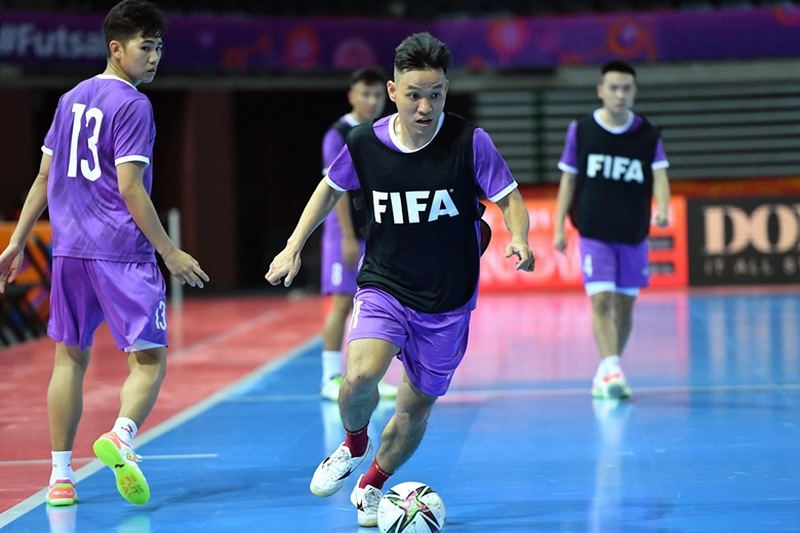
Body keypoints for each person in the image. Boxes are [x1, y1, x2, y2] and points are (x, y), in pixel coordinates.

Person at [266, 31, 534, 528]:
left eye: (435, 94)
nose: (425, 106)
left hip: (448, 300)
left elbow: (510, 198)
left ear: (446, 90)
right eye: (414, 95)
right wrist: (294, 245)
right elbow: (329, 189)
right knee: (359, 377)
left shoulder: (469, 142)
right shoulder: (364, 143)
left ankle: (372, 483)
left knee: (414, 408)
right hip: (385, 283)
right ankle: (353, 444)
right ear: (393, 91)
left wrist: (519, 236)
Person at [0, 0, 208, 507]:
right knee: (150, 360)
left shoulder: (70, 98)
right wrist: (169, 251)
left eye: (159, 47)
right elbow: (131, 188)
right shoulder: (134, 104)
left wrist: (17, 241)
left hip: (69, 251)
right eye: (145, 47)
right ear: (117, 49)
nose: (154, 57)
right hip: (122, 252)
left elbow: (44, 177)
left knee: (69, 360)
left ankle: (60, 478)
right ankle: (121, 435)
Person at [552, 60, 670, 400]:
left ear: (635, 92)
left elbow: (660, 175)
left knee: (625, 307)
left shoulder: (648, 134)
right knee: (601, 301)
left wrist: (663, 207)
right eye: (614, 88)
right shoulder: (581, 130)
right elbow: (568, 180)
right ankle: (614, 369)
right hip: (594, 232)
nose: (620, 94)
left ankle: (607, 371)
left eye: (626, 89)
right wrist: (559, 226)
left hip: (633, 233)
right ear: (601, 91)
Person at [318, 66, 397, 402]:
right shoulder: (338, 134)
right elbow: (334, 189)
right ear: (352, 96)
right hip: (343, 234)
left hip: (375, 232)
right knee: (341, 303)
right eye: (365, 94)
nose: (372, 101)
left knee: (376, 304)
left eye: (377, 95)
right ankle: (329, 378)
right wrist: (348, 237)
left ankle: (371, 376)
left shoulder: (382, 131)